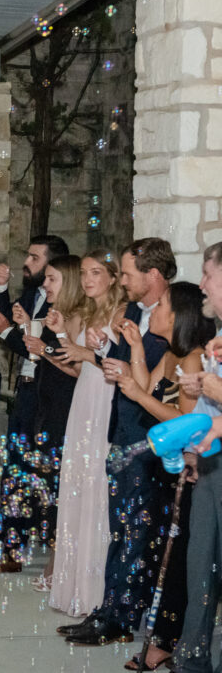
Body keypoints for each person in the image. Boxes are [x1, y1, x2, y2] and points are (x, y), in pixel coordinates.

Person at [60, 238, 175, 643]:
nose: (123, 281)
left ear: (153, 275)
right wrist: (106, 347)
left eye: (128, 273)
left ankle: (122, 618)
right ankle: (108, 610)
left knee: (138, 534)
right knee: (120, 527)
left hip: (149, 437)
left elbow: (156, 381)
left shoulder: (171, 317)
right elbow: (122, 365)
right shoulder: (134, 312)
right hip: (122, 429)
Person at [106, 282, 214, 669]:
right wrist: (136, 350)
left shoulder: (193, 360)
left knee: (181, 552)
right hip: (164, 463)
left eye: (163, 304)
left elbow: (185, 421)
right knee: (162, 547)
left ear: (179, 315)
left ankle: (166, 641)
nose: (155, 310)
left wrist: (138, 395)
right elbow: (148, 384)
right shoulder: (172, 353)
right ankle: (164, 638)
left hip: (186, 465)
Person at [0, 255, 83, 577]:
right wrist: (21, 328)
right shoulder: (55, 313)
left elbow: (72, 365)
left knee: (45, 483)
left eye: (51, 278)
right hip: (41, 400)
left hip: (60, 406)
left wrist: (38, 341)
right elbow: (39, 349)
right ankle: (10, 545)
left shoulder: (73, 317)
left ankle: (37, 555)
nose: (44, 283)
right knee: (20, 475)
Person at [47, 249, 127, 618]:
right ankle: (73, 586)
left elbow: (119, 364)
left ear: (112, 277)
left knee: (96, 484)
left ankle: (95, 592)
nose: (89, 278)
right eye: (84, 272)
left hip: (106, 400)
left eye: (97, 272)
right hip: (85, 399)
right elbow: (77, 362)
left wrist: (85, 351)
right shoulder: (91, 313)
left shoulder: (123, 314)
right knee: (77, 482)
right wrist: (61, 333)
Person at [171, 243, 222, 673]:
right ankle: (192, 658)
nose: (201, 282)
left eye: (208, 273)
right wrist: (192, 448)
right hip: (211, 463)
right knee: (200, 565)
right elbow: (211, 408)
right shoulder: (218, 337)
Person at [0, 235, 70, 447]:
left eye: (34, 257)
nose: (26, 262)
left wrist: (7, 331)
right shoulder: (33, 293)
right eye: (28, 256)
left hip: (43, 389)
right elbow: (7, 318)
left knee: (34, 456)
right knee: (15, 455)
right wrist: (1, 287)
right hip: (24, 387)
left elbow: (38, 347)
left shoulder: (62, 303)